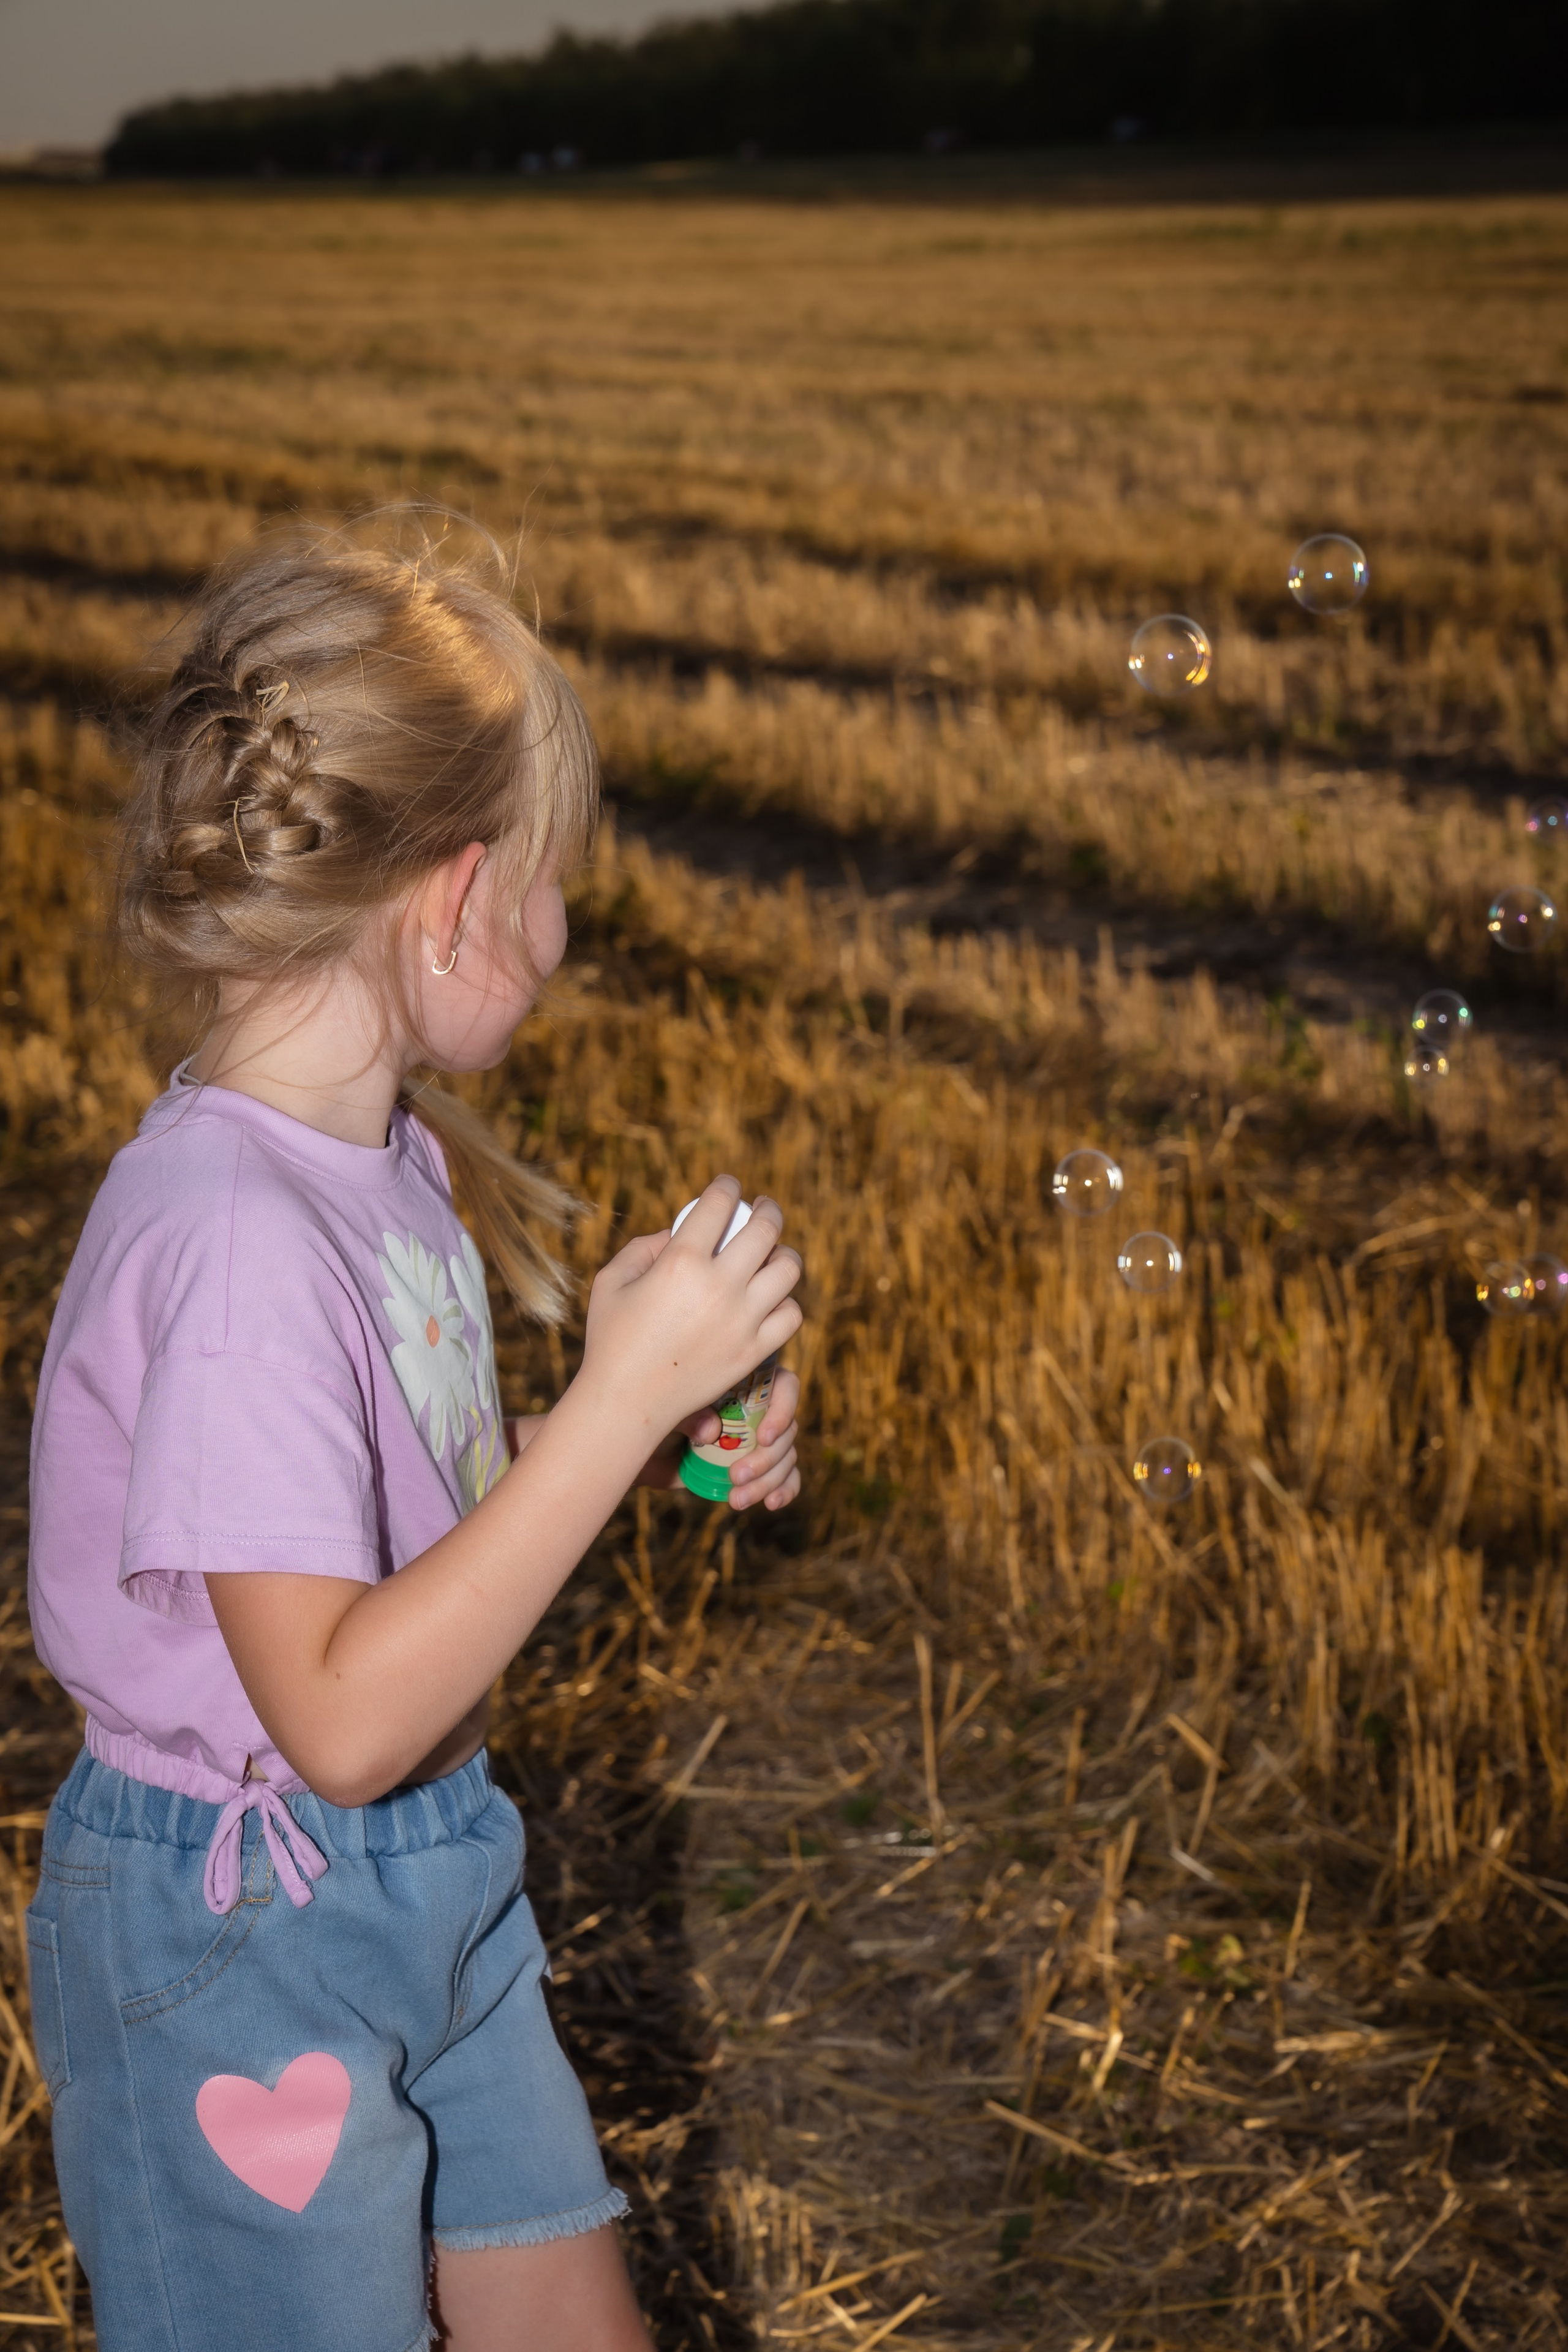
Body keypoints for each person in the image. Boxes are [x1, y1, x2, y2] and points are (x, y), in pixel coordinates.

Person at [24, 519, 804, 2352]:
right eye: (554, 884)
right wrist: (610, 1410)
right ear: (455, 899)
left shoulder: (380, 1172)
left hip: (430, 1874)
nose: (565, 929)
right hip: (243, 1936)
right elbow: (343, 1715)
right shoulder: (235, 1233)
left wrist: (660, 1421)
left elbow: (397, 1498)